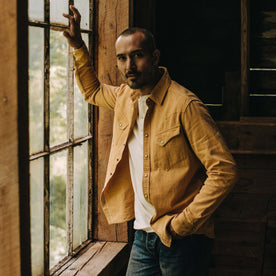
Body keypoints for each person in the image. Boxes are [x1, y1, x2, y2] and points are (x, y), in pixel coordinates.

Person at [63, 5, 238, 276]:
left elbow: (224, 170)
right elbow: (93, 91)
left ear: (155, 57)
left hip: (184, 240)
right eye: (122, 58)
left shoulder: (185, 105)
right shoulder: (123, 97)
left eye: (138, 56)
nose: (129, 66)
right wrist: (78, 45)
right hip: (143, 236)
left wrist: (184, 223)